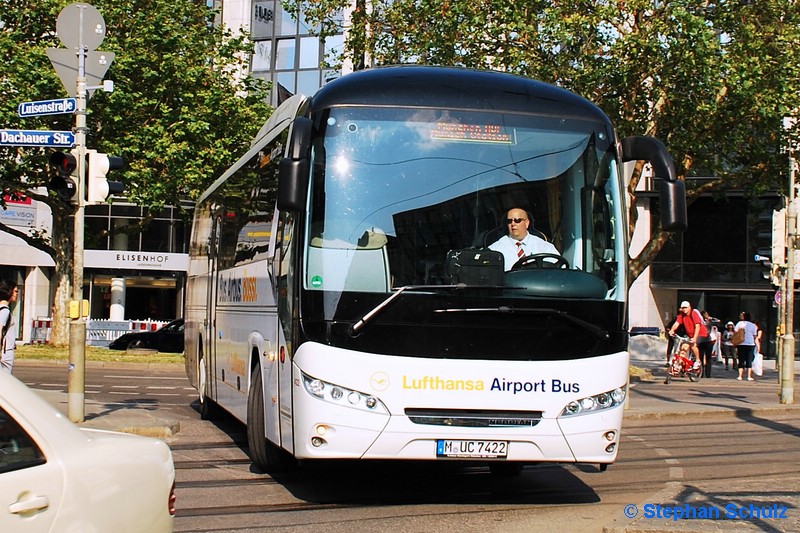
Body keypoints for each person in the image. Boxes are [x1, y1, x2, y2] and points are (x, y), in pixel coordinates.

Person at [488, 207, 559, 271]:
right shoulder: (495, 249)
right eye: (509, 221)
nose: (513, 224)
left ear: (526, 223)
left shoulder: (544, 247)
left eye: (517, 220)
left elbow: (560, 269)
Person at [668, 301, 710, 375]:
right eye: (683, 308)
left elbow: (698, 326)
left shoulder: (693, 313)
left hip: (701, 334)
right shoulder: (681, 315)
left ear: (689, 307)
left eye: (686, 308)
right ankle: (680, 366)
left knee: (693, 344)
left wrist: (695, 338)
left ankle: (697, 361)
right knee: (683, 348)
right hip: (690, 335)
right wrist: (672, 330)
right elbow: (676, 323)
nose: (684, 309)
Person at [0, 280, 19, 374]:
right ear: (9, 292)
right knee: (5, 381)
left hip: (4, 350)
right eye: (15, 291)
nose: (16, 294)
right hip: (5, 352)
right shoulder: (5, 311)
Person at [734, 311, 759, 382]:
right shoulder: (753, 325)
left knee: (741, 359)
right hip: (750, 344)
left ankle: (740, 376)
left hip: (741, 343)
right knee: (749, 360)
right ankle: (749, 376)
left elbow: (735, 332)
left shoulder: (739, 323)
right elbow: (754, 336)